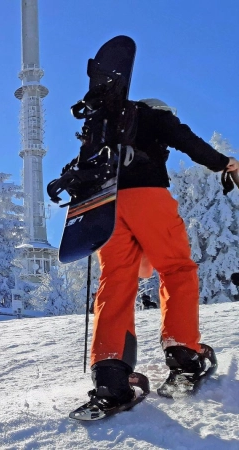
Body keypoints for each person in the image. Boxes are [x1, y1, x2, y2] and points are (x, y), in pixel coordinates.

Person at [87, 97, 239, 408]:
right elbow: (187, 140)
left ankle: (110, 377)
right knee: (176, 269)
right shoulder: (154, 116)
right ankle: (183, 355)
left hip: (104, 204)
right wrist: (224, 162)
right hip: (146, 197)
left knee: (115, 280)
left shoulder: (106, 129)